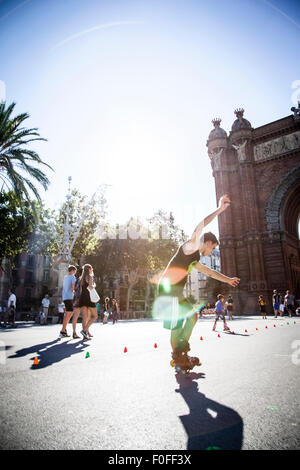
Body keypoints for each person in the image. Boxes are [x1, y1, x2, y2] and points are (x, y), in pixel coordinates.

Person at [156, 194, 240, 371]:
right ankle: (178, 357)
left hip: (176, 292)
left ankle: (180, 353)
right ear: (208, 242)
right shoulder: (191, 246)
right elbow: (201, 225)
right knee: (178, 324)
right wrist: (219, 209)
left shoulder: (194, 259)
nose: (212, 251)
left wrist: (229, 279)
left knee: (193, 316)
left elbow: (211, 272)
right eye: (213, 248)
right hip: (168, 290)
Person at [60, 265, 80, 339]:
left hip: (65, 297)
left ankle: (64, 330)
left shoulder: (65, 277)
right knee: (69, 313)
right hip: (69, 297)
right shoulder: (72, 277)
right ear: (72, 271)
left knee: (69, 313)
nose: (75, 273)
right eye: (75, 271)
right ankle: (62, 331)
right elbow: (73, 288)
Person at [78, 264, 98, 340]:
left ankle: (85, 336)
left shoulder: (81, 278)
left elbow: (80, 290)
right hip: (89, 298)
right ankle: (84, 330)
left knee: (85, 318)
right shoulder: (90, 276)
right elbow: (90, 286)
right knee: (95, 316)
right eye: (91, 268)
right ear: (89, 269)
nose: (92, 269)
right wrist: (94, 285)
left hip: (82, 298)